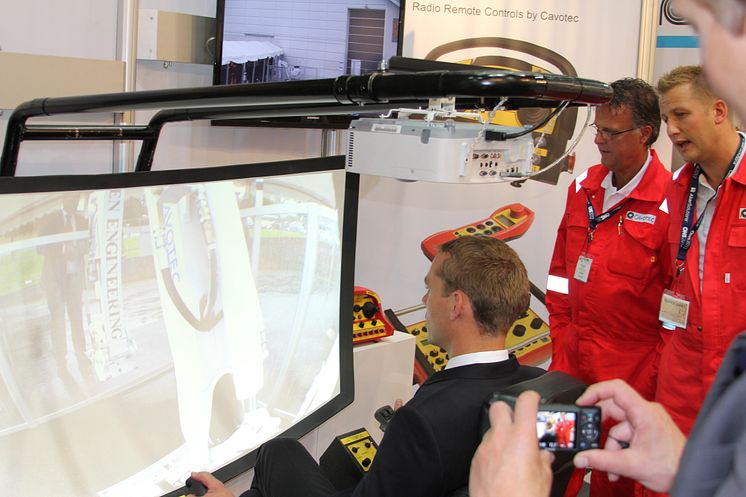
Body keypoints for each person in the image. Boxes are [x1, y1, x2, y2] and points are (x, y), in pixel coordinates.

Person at [189, 236, 546, 497]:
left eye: (430, 289)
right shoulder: (540, 389)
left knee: (277, 452)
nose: (423, 301)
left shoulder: (423, 422)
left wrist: (411, 432)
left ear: (456, 305)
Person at [545, 77, 669, 496]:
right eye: (596, 129)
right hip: (570, 361)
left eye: (610, 132)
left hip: (631, 377)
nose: (598, 140)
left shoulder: (670, 203)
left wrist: (652, 377)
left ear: (645, 134)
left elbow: (677, 311)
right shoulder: (583, 187)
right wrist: (562, 333)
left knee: (616, 481)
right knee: (552, 465)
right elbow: (559, 271)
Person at [655, 64, 746, 435]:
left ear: (719, 112)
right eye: (665, 118)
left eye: (681, 114)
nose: (672, 130)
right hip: (684, 376)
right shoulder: (678, 189)